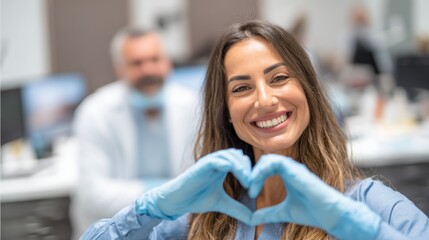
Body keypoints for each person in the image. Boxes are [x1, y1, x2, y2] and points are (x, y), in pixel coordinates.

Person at [80, 21, 428, 240]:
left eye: (279, 78)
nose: (264, 99)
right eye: (242, 88)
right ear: (227, 113)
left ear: (307, 90)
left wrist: (365, 232)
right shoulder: (204, 221)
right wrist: (151, 209)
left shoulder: (367, 204)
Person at [70, 27, 199, 237]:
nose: (148, 70)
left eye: (155, 59)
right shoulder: (95, 111)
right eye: (137, 63)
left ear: (167, 63)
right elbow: (92, 195)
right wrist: (168, 192)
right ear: (119, 69)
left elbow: (199, 180)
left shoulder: (192, 105)